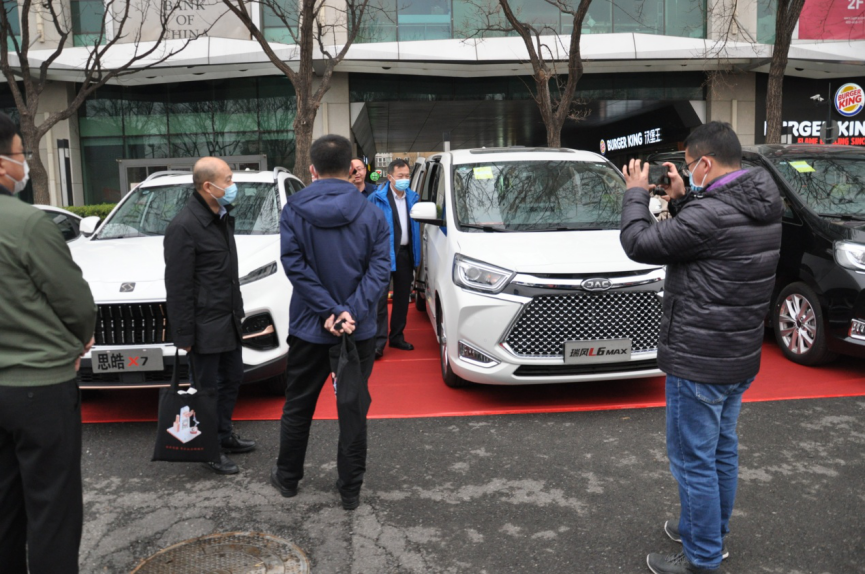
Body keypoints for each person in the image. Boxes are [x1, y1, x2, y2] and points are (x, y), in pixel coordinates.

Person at [619, 122, 783, 574]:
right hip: (737, 353)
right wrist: (685, 197)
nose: (687, 173)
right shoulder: (760, 200)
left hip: (699, 358)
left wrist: (635, 193)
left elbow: (638, 243)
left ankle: (702, 557)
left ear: (705, 164)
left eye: (690, 167)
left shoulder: (710, 214)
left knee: (693, 460)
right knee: (720, 451)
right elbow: (712, 234)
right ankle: (709, 530)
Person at [0, 112, 97, 574]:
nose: (24, 164)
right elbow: (75, 302)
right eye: (21, 153)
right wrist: (80, 341)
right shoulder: (26, 224)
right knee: (52, 508)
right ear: (2, 165)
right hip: (39, 384)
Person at [273, 134, 390, 510]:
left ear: (312, 169)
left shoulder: (293, 209)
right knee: (352, 410)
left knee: (298, 406)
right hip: (357, 330)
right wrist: (349, 312)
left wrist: (328, 311)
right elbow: (379, 270)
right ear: (352, 168)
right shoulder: (372, 211)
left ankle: (288, 479)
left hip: (310, 327)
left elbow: (295, 266)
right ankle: (350, 490)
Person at [164, 157, 255, 476]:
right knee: (207, 390)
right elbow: (177, 286)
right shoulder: (184, 226)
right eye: (228, 180)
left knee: (232, 379)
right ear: (208, 186)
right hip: (203, 326)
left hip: (227, 318)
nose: (233, 186)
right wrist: (184, 336)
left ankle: (223, 434)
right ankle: (208, 449)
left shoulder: (221, 216)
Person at [368, 159, 421, 358]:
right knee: (380, 299)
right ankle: (377, 343)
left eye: (407, 176)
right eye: (400, 176)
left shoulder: (413, 198)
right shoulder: (376, 198)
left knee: (401, 299)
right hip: (381, 256)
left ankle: (397, 336)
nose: (404, 180)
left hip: (406, 254)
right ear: (390, 177)